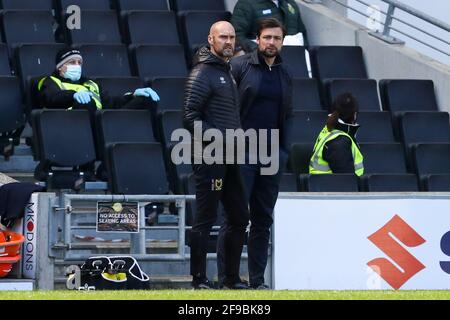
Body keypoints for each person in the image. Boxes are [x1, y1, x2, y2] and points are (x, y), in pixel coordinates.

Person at [217, 18, 293, 289]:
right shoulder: (238, 66)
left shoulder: (285, 74)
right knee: (235, 217)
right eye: (267, 37)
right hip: (242, 151)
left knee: (263, 219)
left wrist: (283, 151)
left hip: (272, 154)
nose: (272, 42)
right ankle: (228, 279)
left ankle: (258, 282)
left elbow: (287, 115)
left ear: (282, 42)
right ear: (258, 40)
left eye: (277, 38)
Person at [183, 21, 250, 290]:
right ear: (210, 39)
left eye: (232, 37)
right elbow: (189, 117)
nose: (229, 41)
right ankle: (198, 279)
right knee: (206, 217)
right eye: (223, 37)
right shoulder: (202, 73)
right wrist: (220, 138)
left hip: (230, 157)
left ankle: (230, 279)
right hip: (210, 158)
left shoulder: (226, 71)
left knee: (238, 217)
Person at [37, 48, 160, 114]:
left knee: (146, 99)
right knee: (86, 103)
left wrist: (132, 95)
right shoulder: (50, 81)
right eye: (72, 62)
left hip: (103, 124)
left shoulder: (91, 84)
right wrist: (73, 95)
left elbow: (110, 103)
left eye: (79, 63)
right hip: (73, 126)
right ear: (60, 67)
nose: (77, 65)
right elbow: (51, 98)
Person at [309, 93, 364, 176]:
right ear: (354, 115)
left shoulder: (330, 130)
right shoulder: (339, 143)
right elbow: (347, 181)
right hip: (332, 187)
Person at [231, 0, 308, 54]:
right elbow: (236, 35)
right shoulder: (246, 4)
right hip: (262, 61)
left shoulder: (290, 3)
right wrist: (257, 49)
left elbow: (302, 33)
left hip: (295, 58)